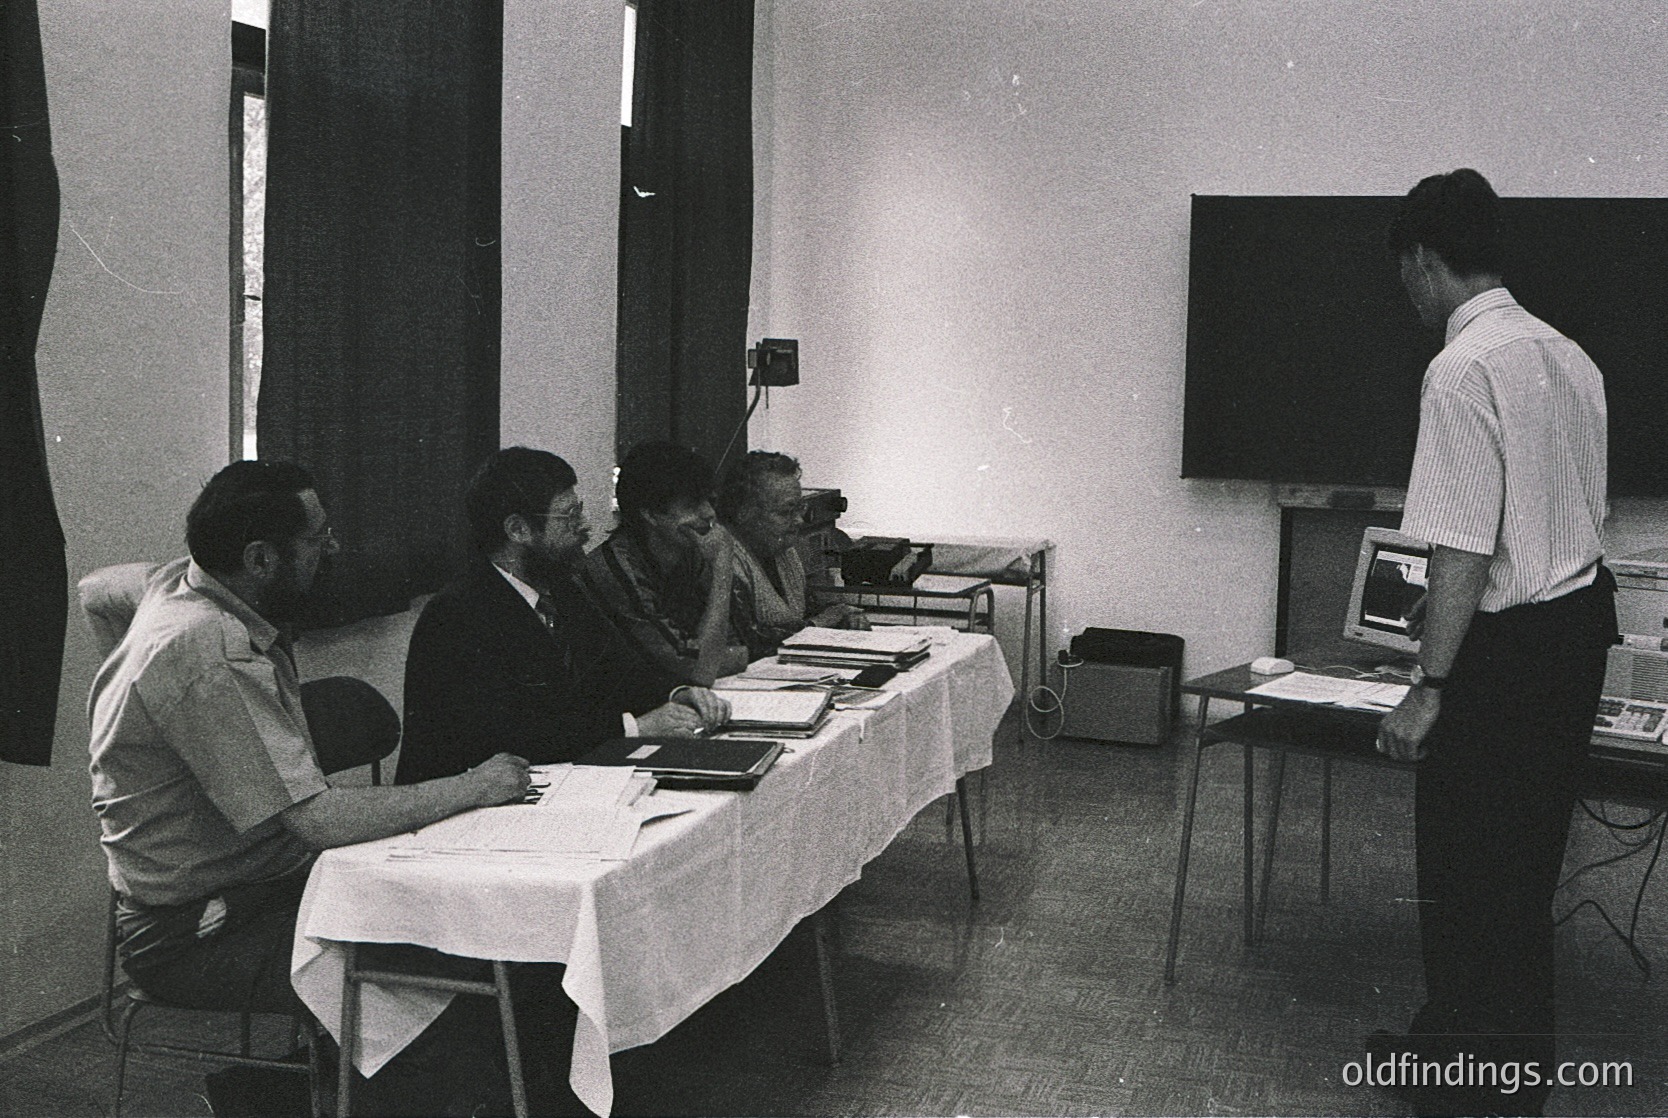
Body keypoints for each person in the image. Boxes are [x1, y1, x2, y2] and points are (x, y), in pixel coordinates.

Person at [88, 460, 543, 1115]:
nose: (330, 550)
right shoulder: (205, 655)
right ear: (260, 558)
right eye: (316, 539)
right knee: (430, 955)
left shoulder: (180, 582)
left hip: (257, 890)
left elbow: (96, 588)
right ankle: (340, 1094)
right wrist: (474, 785)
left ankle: (302, 1088)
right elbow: (319, 822)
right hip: (200, 931)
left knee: (442, 912)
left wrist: (125, 684)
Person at [1371, 169, 1617, 1116]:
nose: (1409, 294)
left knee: (1465, 873)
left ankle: (1467, 1088)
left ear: (1424, 259)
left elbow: (1464, 543)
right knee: (1523, 872)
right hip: (1574, 636)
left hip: (1504, 656)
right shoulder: (1571, 357)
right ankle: (1489, 1071)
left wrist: (1429, 684)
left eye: (1407, 275)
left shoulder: (1461, 368)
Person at [397, 446, 728, 786]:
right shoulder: (457, 614)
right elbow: (510, 735)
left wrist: (677, 694)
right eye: (569, 517)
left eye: (580, 511)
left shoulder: (564, 591)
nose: (584, 526)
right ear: (518, 530)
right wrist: (635, 728)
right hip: (463, 808)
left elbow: (622, 671)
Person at [583, 441, 747, 686]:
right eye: (692, 504)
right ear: (649, 514)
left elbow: (739, 642)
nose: (710, 513)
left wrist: (718, 656)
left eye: (708, 500)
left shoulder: (689, 552)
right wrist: (722, 567)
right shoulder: (616, 570)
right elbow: (698, 668)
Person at [713, 450, 867, 660]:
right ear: (744, 513)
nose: (799, 521)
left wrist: (844, 614)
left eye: (800, 509)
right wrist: (818, 625)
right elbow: (748, 640)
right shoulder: (723, 559)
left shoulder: (783, 550)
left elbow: (806, 610)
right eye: (786, 512)